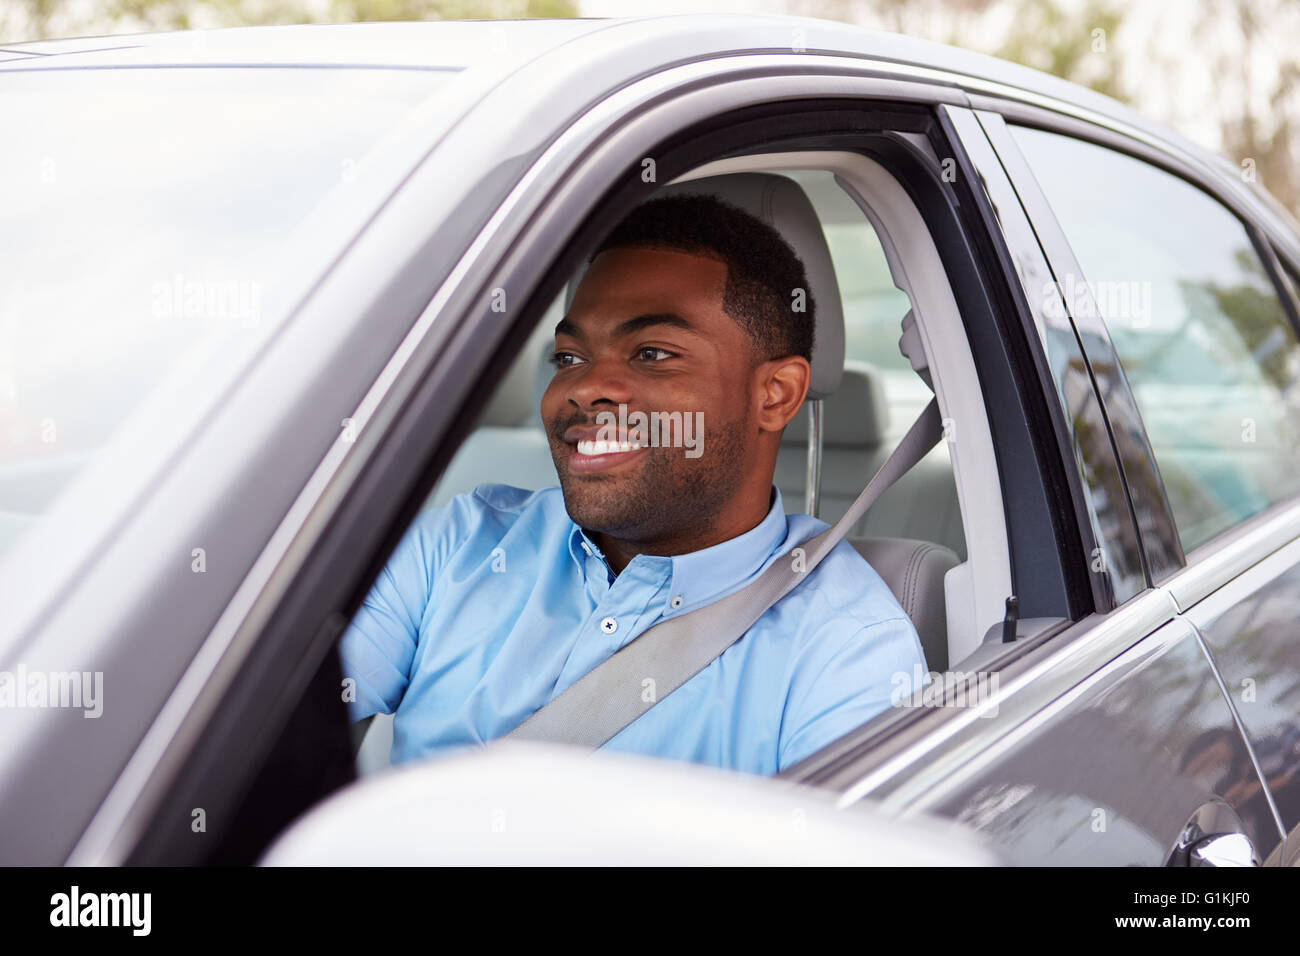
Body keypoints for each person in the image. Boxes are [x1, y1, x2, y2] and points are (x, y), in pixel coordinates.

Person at [339, 193, 926, 775]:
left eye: (651, 353)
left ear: (774, 395)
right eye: (569, 357)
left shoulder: (846, 649)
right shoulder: (460, 545)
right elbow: (273, 713)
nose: (585, 388)